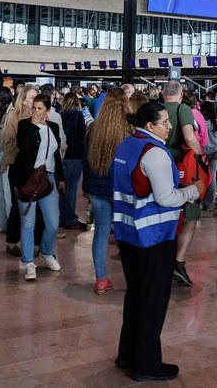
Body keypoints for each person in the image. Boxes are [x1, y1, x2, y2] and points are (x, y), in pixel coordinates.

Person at [113, 101, 203, 382]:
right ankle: (147, 365)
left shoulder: (126, 145)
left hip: (128, 234)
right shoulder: (155, 153)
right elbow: (166, 198)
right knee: (153, 301)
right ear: (150, 125)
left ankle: (128, 354)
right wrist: (192, 191)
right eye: (165, 122)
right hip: (153, 237)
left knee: (136, 296)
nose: (170, 126)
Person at [83, 87, 131, 294]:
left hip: (97, 187)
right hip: (121, 190)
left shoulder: (93, 128)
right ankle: (132, 276)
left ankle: (101, 278)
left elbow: (87, 160)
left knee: (101, 233)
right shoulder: (128, 130)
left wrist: (86, 187)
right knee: (125, 234)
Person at [12, 94, 64, 281]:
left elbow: (56, 154)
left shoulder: (54, 127)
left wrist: (60, 177)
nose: (35, 111)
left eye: (40, 108)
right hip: (27, 178)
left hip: (48, 178)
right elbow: (24, 148)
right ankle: (28, 262)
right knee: (28, 222)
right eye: (34, 107)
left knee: (52, 222)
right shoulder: (25, 125)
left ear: (47, 111)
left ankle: (47, 252)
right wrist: (34, 126)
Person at [161, 80, 204, 287]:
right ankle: (178, 262)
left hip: (157, 168)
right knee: (191, 213)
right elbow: (189, 138)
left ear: (162, 93)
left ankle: (163, 259)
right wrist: (201, 158)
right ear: (180, 95)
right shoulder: (183, 109)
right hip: (181, 171)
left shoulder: (156, 110)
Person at [2, 84, 39, 257]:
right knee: (18, 206)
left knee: (37, 206)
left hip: (37, 168)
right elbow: (8, 143)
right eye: (31, 97)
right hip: (18, 167)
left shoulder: (41, 116)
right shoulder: (15, 118)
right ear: (23, 100)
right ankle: (12, 242)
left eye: (36, 97)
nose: (34, 100)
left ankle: (35, 243)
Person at [59, 92, 89, 230]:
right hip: (75, 155)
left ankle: (62, 215)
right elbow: (82, 134)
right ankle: (70, 218)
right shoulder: (78, 115)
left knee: (62, 189)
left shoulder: (59, 115)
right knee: (71, 189)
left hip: (62, 155)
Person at [0, 87, 15, 233]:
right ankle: (0, 223)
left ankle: (10, 224)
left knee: (6, 191)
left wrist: (6, 160)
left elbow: (10, 138)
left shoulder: (11, 113)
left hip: (5, 154)